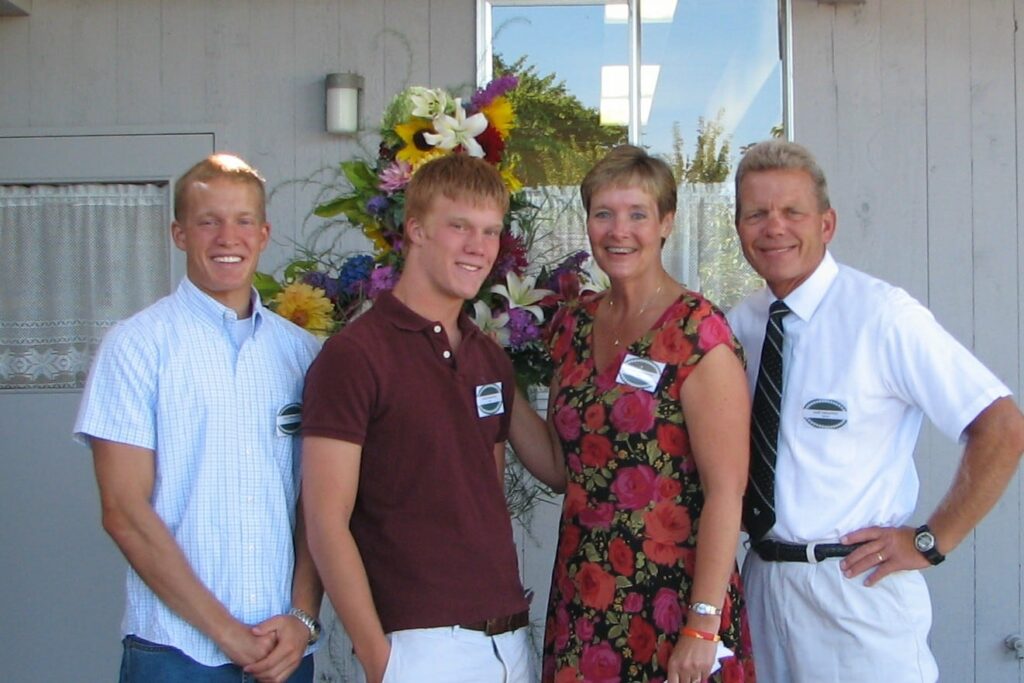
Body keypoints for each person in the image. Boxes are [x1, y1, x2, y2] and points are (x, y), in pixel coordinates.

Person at [726, 139, 1024, 683]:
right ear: (739, 228)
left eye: (792, 211)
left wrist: (933, 540)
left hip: (854, 589)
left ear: (827, 224)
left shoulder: (882, 315)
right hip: (763, 585)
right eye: (756, 213)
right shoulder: (740, 326)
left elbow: (1000, 425)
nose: (774, 227)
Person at [74, 153, 323, 683]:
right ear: (179, 233)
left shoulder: (301, 352)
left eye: (243, 221)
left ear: (264, 233)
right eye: (208, 221)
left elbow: (318, 504)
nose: (227, 237)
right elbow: (123, 510)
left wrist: (303, 619)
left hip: (284, 651)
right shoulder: (137, 346)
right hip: (175, 652)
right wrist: (227, 634)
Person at [512, 145, 756, 683]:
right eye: (604, 214)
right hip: (584, 596)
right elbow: (561, 467)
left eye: (637, 214)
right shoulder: (574, 327)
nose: (618, 230)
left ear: (666, 223)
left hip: (675, 605)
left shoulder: (698, 331)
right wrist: (499, 385)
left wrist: (702, 625)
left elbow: (726, 492)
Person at [300, 153, 536, 683]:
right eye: (459, 227)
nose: (478, 246)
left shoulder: (488, 358)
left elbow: (484, 498)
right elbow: (324, 520)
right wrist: (379, 659)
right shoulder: (355, 355)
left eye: (491, 231)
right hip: (420, 645)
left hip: (508, 640)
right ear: (416, 229)